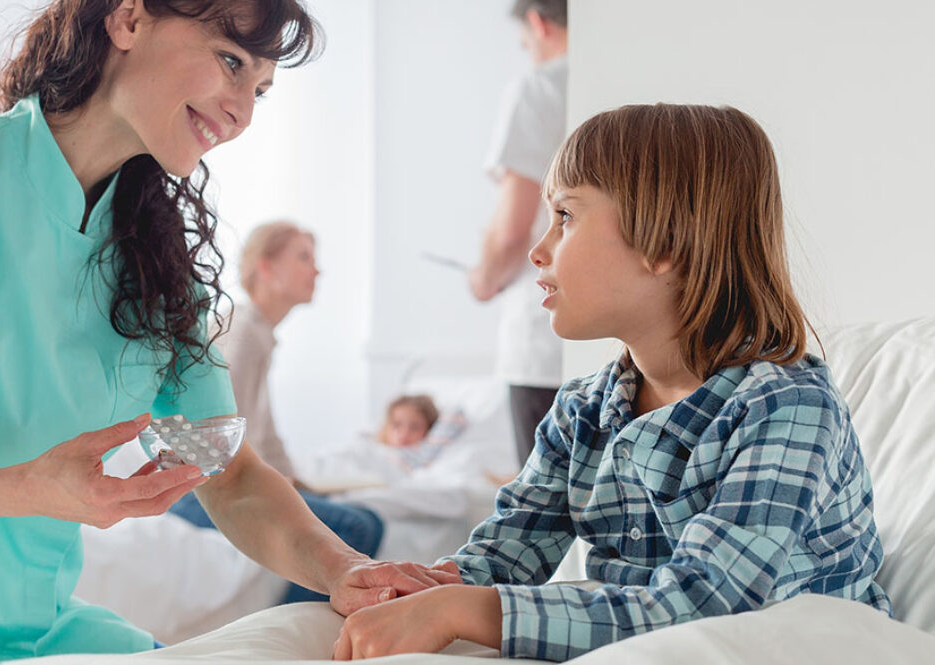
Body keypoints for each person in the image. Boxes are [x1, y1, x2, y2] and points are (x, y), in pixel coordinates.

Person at [0, 2, 457, 662]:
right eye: (229, 62)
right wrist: (26, 487)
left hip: (38, 629)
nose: (242, 111)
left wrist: (342, 566)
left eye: (261, 90)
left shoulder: (155, 268)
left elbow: (227, 473)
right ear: (129, 18)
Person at [331, 104, 891, 661]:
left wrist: (459, 610)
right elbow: (502, 556)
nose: (538, 251)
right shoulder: (581, 412)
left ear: (665, 240)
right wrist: (417, 586)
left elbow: (707, 608)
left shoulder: (786, 407)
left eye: (566, 217)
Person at [170, 220, 385, 604]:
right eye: (304, 257)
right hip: (201, 492)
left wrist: (294, 484)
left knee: (361, 519)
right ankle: (291, 636)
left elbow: (263, 436)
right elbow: (218, 440)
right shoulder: (243, 333)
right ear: (266, 267)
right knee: (356, 525)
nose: (317, 270)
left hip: (220, 481)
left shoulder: (257, 333)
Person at [467, 0, 569, 469]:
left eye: (525, 44)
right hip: (620, 339)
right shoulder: (627, 82)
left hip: (544, 341)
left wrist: (483, 279)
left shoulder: (541, 86)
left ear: (537, 22)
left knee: (547, 514)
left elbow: (512, 231)